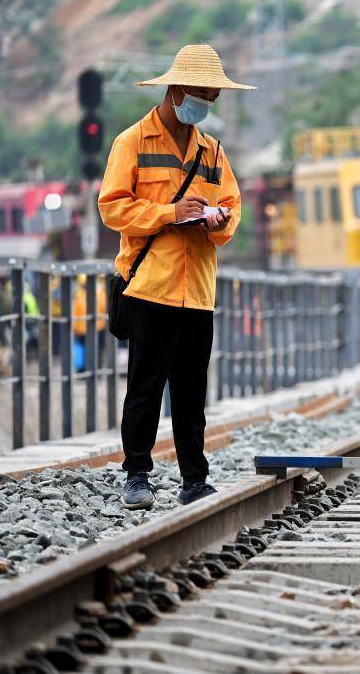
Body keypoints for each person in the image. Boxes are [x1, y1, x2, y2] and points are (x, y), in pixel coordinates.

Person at [98, 44, 252, 510]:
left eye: (213, 96)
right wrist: (168, 213)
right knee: (145, 384)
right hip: (151, 287)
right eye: (203, 94)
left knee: (191, 391)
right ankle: (137, 475)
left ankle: (194, 479)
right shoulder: (133, 142)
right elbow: (112, 207)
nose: (208, 104)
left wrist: (219, 220)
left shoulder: (213, 151)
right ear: (177, 89)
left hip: (198, 290)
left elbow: (233, 205)